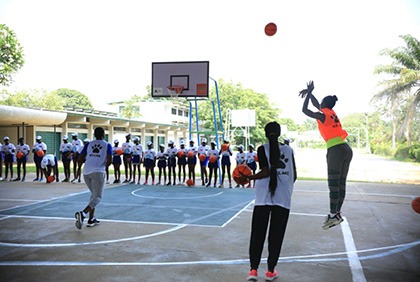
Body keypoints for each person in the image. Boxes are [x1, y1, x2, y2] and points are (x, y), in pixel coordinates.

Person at [239, 122, 296, 282]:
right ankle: (270, 271)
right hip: (282, 197)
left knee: (257, 234)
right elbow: (295, 175)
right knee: (276, 236)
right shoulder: (289, 150)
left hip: (263, 196)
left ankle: (253, 271)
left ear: (265, 134)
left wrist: (249, 177)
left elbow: (264, 171)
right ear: (278, 134)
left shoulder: (262, 148)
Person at [300, 80, 353, 229]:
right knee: (341, 183)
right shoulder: (331, 112)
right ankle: (336, 213)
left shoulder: (323, 115)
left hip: (335, 150)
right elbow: (317, 104)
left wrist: (309, 93)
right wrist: (310, 94)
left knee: (333, 184)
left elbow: (305, 111)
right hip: (346, 148)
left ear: (324, 104)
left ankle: (331, 215)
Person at [74, 127, 112, 229]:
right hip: (98, 172)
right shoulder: (107, 145)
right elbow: (109, 161)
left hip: (86, 172)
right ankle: (83, 213)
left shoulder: (88, 144)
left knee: (93, 195)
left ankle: (91, 219)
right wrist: (102, 165)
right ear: (103, 134)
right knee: (98, 197)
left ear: (94, 134)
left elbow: (80, 159)